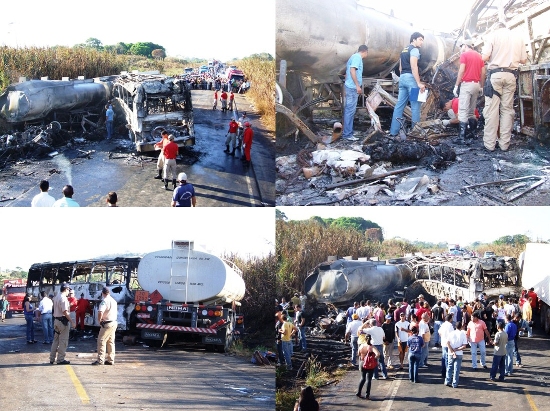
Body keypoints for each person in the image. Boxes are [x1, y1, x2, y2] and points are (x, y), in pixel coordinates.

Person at [481, 22, 527, 151]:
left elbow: (484, 57)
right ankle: (504, 144)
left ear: (496, 27)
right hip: (511, 75)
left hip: (496, 75)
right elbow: (524, 60)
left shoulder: (493, 35)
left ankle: (490, 145)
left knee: (492, 110)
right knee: (507, 110)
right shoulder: (518, 36)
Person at [389, 32, 426, 137]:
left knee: (399, 106)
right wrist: (418, 83)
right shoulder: (414, 50)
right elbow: (414, 67)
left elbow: (400, 68)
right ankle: (416, 133)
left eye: (422, 40)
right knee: (415, 106)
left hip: (403, 79)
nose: (421, 42)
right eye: (420, 39)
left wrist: (404, 78)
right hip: (411, 80)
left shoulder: (404, 50)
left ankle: (393, 132)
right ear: (413, 40)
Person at [453, 38, 485, 141]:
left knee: (462, 111)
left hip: (466, 84)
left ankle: (461, 138)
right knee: (471, 112)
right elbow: (483, 73)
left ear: (465, 46)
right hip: (476, 85)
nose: (461, 49)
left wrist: (456, 85)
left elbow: (461, 71)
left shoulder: (464, 55)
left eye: (462, 46)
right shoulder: (479, 56)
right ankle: (472, 134)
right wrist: (481, 86)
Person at [342, 45, 369, 141]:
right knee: (350, 111)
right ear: (365, 51)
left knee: (349, 110)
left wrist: (346, 87)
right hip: (353, 88)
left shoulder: (353, 56)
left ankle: (348, 132)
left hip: (349, 87)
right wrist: (357, 86)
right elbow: (352, 70)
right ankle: (347, 134)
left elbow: (347, 73)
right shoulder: (357, 57)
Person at [50, 285, 75, 364]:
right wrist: (71, 321)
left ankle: (52, 358)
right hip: (63, 322)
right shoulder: (63, 298)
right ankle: (60, 359)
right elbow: (65, 311)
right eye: (68, 290)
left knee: (55, 340)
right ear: (66, 289)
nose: (69, 292)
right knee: (63, 341)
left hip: (56, 320)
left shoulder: (56, 297)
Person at [92, 287, 118, 365]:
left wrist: (99, 320)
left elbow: (100, 311)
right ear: (109, 293)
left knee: (101, 340)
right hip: (114, 323)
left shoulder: (104, 301)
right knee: (110, 342)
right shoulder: (114, 301)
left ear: (102, 293)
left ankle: (100, 360)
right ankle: (111, 359)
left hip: (107, 323)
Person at [445, 321, 468, 388]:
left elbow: (448, 343)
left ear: (455, 326)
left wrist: (452, 351)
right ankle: (454, 383)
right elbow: (464, 346)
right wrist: (457, 349)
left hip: (450, 353)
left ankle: (447, 381)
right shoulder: (463, 334)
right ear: (461, 327)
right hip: (459, 353)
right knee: (456, 369)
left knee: (449, 367)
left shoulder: (451, 333)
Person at [356, 334, 380, 400]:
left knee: (362, 378)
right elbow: (378, 354)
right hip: (369, 364)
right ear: (371, 339)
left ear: (365, 339)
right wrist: (373, 358)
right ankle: (367, 395)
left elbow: (358, 354)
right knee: (369, 379)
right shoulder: (371, 347)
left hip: (362, 363)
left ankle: (358, 392)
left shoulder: (361, 346)